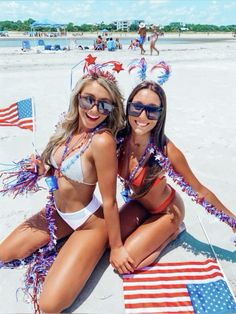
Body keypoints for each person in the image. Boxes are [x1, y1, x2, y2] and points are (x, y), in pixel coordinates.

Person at [0, 69, 134, 312]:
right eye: (89, 100)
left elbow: (110, 201)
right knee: (4, 254)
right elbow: (60, 171)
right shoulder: (68, 129)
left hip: (89, 223)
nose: (94, 110)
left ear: (112, 109)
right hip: (56, 215)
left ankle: (83, 246)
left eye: (104, 105)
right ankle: (66, 243)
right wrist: (43, 170)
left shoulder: (102, 141)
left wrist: (116, 247)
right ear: (78, 97)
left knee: (49, 306)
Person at [115, 80, 236, 273]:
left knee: (127, 263)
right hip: (139, 205)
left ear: (160, 114)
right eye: (137, 107)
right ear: (128, 106)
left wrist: (232, 221)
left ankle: (172, 234)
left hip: (167, 211)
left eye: (152, 110)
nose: (143, 116)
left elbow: (200, 191)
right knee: (109, 242)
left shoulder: (167, 151)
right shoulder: (118, 140)